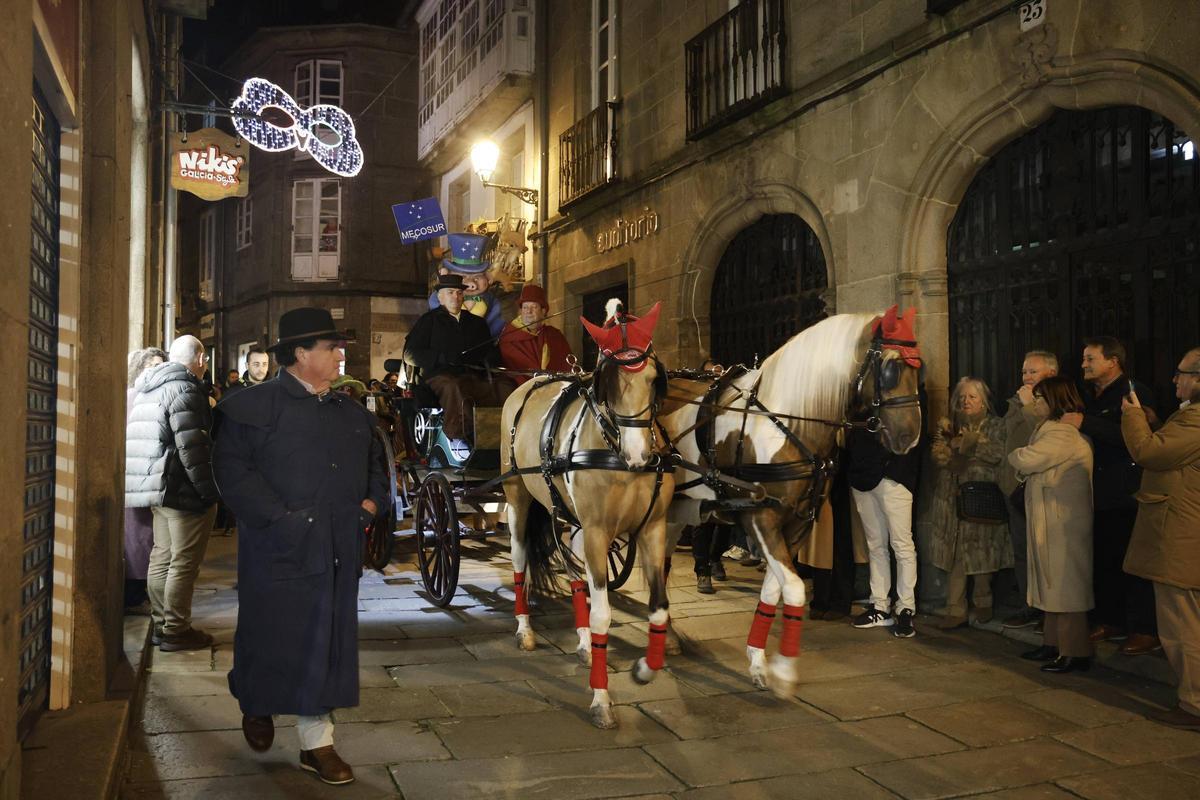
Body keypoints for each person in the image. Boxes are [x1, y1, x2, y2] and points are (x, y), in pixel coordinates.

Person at [213, 307, 390, 785]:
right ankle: (256, 701)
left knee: (326, 641)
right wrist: (282, 521)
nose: (340, 356)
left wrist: (369, 506)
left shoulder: (351, 412)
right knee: (268, 631)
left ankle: (317, 744)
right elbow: (233, 472)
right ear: (300, 353)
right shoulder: (250, 408)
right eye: (331, 348)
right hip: (276, 548)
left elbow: (377, 466)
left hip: (337, 547)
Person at [1062, 336, 1160, 654]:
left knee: (1132, 562)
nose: (1084, 365)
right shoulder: (1089, 394)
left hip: (1126, 491)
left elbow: (1137, 439)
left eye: (1090, 359)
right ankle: (1111, 620)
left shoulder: (1133, 393)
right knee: (1105, 558)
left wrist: (1086, 422)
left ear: (1112, 361)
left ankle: (1144, 629)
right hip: (1097, 491)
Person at [1121, 346, 1200, 729]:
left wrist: (1133, 416)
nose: (1174, 379)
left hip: (1181, 534)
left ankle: (1193, 704)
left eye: (1181, 373)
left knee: (1182, 626)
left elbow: (1149, 452)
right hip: (1185, 531)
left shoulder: (1197, 419)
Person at [125, 335, 220, 651]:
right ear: (200, 359)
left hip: (156, 488)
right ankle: (177, 630)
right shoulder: (186, 389)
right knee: (183, 562)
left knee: (162, 556)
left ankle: (162, 624)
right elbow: (193, 449)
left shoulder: (149, 388)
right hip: (181, 490)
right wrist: (209, 492)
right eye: (204, 360)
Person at [1009, 376, 1095, 673]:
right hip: (1051, 520)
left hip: (1062, 523)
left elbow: (1027, 459)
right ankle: (1052, 643)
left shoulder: (1061, 434)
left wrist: (1015, 455)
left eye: (1040, 399)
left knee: (1066, 587)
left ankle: (1075, 652)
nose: (1036, 404)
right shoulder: (1049, 430)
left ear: (1055, 400)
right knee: (1051, 584)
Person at [930, 377, 1014, 629]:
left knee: (981, 552)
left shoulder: (996, 426)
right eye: (962, 397)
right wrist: (948, 452)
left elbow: (999, 454)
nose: (966, 401)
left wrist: (972, 443)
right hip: (952, 500)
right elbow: (939, 455)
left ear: (984, 401)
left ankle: (983, 602)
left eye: (972, 397)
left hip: (981, 498)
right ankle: (955, 609)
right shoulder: (949, 425)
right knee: (955, 553)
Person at [404, 272, 513, 457]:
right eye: (450, 292)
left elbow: (489, 351)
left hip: (473, 375)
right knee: (454, 387)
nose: (455, 296)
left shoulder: (477, 323)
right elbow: (410, 354)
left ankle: (505, 436)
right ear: (440, 297)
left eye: (458, 292)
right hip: (439, 377)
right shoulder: (428, 321)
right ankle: (459, 437)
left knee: (505, 386)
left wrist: (492, 361)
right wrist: (441, 358)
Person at [849, 409, 922, 637]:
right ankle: (880, 605)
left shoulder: (906, 393)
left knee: (902, 545)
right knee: (875, 546)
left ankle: (905, 608)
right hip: (863, 476)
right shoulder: (861, 398)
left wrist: (894, 471)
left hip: (893, 477)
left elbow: (912, 431)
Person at [1000, 350, 1058, 630]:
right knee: (1022, 550)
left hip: (1038, 487)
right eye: (1024, 371)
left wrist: (1028, 405)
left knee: (1043, 552)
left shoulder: (1056, 402)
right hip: (1013, 486)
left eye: (1033, 371)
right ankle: (1029, 606)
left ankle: (1050, 611)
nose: (1026, 377)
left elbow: (1047, 434)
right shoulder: (1016, 401)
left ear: (1051, 373)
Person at [123, 346, 167, 614]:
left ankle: (143, 592)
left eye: (160, 367)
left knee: (147, 539)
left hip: (154, 479)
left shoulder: (161, 397)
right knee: (136, 537)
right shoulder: (130, 397)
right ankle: (134, 593)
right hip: (134, 478)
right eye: (151, 366)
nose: (155, 372)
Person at [426, 233, 506, 337]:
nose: (471, 284)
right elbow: (435, 309)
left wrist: (488, 335)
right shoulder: (440, 296)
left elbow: (496, 320)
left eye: (477, 277)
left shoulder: (491, 300)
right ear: (446, 274)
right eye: (462, 277)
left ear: (488, 278)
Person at [498, 283, 573, 384]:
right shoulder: (509, 336)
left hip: (556, 389)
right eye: (525, 307)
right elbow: (512, 373)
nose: (529, 311)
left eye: (534, 307)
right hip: (521, 391)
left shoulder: (555, 336)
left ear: (543, 311)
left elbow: (567, 368)